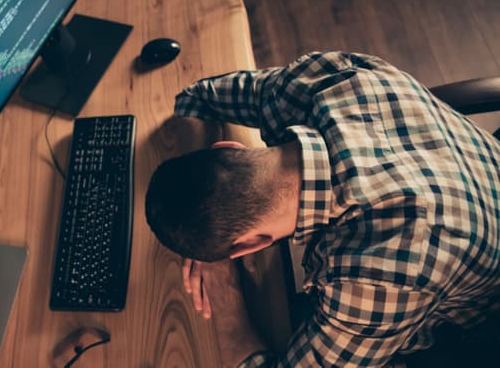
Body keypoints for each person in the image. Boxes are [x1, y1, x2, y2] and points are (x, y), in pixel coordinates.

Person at [144, 52, 500, 367]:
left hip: (478, 323)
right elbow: (197, 96)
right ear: (228, 146)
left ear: (248, 245)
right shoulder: (325, 80)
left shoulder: (375, 278)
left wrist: (224, 298)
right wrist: (199, 200)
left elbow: (196, 100)